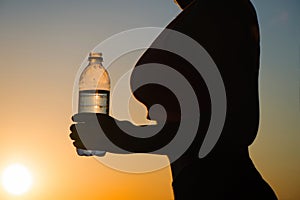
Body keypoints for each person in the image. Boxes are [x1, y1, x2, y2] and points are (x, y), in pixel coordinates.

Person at [70, 0, 278, 199]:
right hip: (196, 187)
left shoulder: (223, 7)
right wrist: (119, 135)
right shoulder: (201, 17)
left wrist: (124, 137)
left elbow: (236, 126)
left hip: (226, 190)